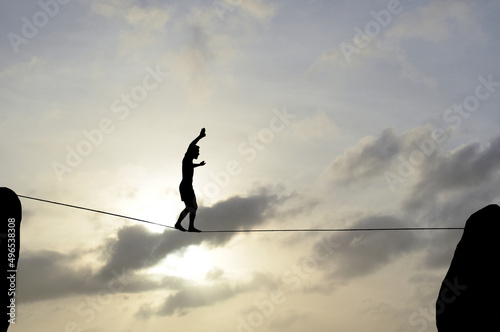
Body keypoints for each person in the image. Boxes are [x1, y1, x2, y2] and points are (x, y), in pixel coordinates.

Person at [175, 128, 206, 232]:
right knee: (191, 207)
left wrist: (199, 165)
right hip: (185, 187)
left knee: (192, 207)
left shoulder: (189, 162)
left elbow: (191, 166)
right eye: (197, 152)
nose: (198, 154)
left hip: (188, 187)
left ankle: (187, 226)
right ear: (193, 152)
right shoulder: (187, 158)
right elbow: (191, 145)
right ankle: (181, 224)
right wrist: (200, 137)